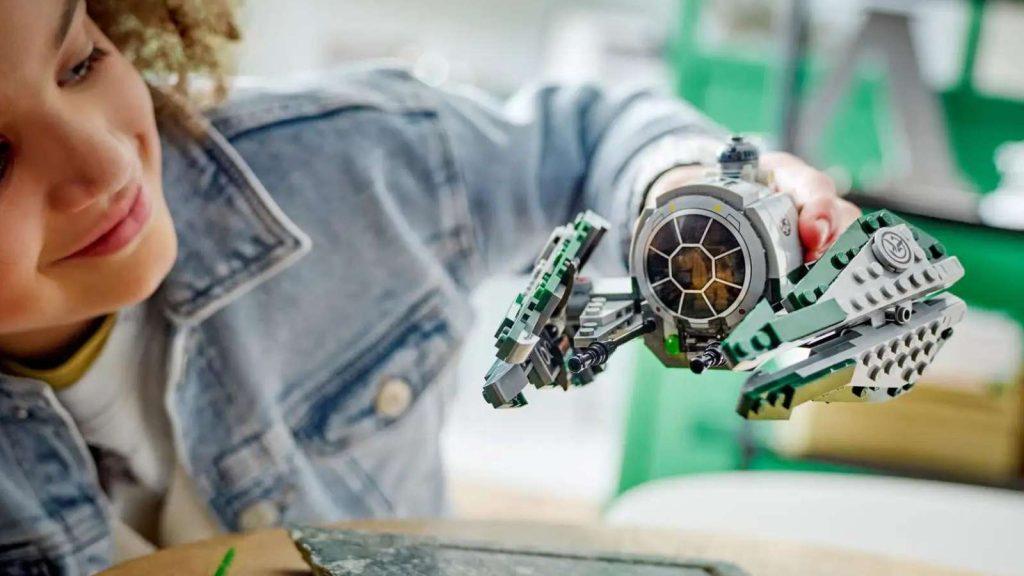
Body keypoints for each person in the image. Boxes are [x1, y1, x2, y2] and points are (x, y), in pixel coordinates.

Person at [0, 1, 861, 573]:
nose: (104, 165)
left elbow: (593, 139)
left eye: (80, 63)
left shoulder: (350, 162)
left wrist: (680, 193)